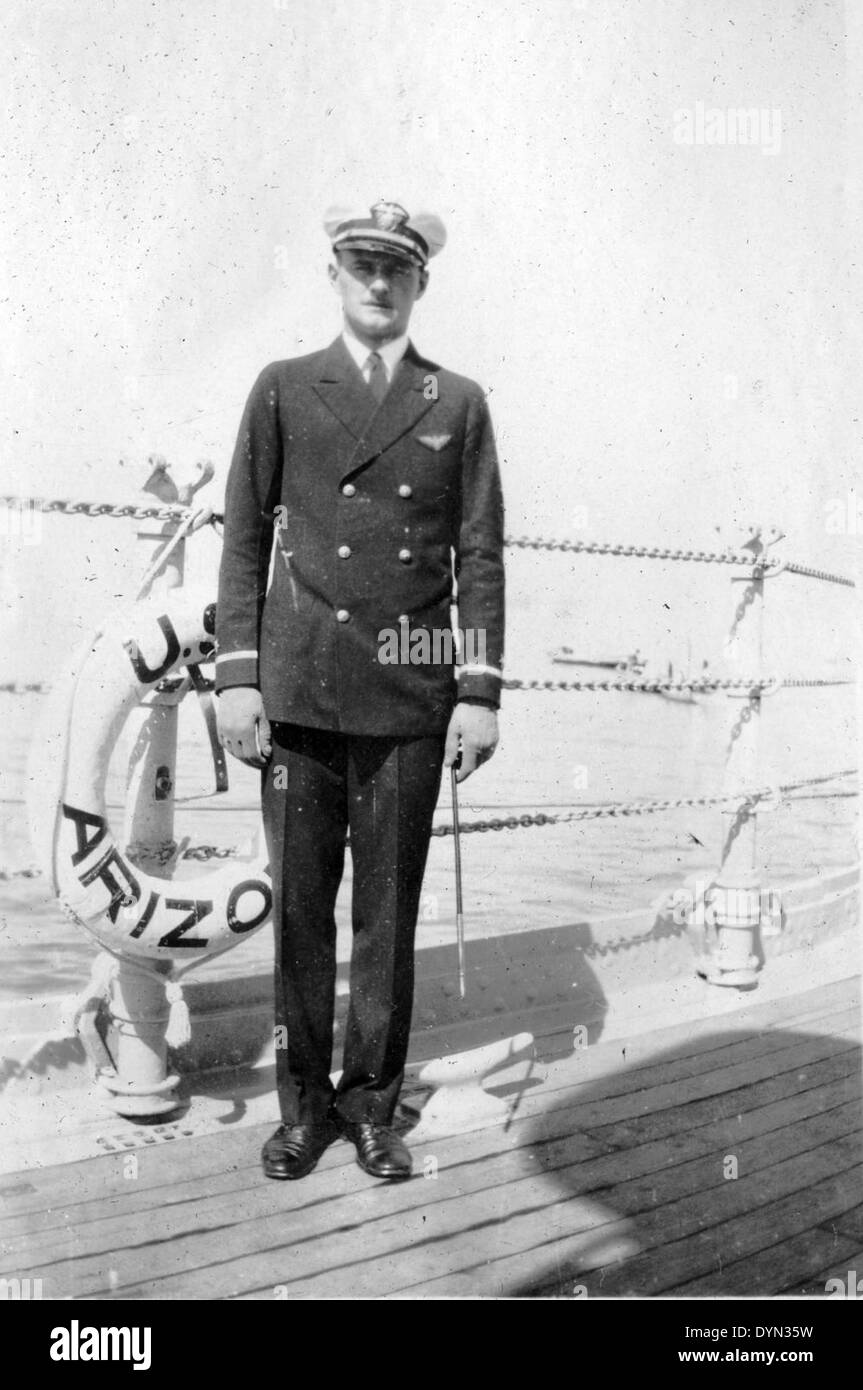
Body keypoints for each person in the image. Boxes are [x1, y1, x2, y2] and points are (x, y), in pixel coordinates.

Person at [215, 199, 505, 1181]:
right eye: (359, 266)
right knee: (300, 910)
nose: (377, 284)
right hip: (297, 697)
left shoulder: (454, 401)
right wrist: (238, 679)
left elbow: (476, 550)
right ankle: (303, 1109)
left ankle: (372, 1104)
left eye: (396, 270)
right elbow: (245, 537)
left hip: (407, 700)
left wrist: (477, 689)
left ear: (420, 283)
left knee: (386, 914)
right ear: (332, 276)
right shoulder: (284, 391)